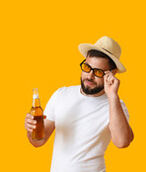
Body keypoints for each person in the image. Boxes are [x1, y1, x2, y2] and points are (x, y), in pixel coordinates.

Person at [23, 36, 134, 172]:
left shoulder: (116, 105)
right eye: (87, 67)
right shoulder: (61, 94)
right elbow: (38, 141)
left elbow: (122, 142)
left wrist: (112, 95)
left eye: (98, 72)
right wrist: (31, 130)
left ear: (112, 73)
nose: (89, 76)